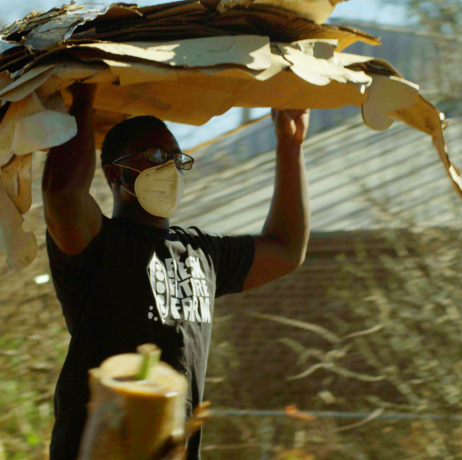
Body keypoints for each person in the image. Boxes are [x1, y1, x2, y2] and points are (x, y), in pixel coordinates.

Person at [42, 83, 310, 460]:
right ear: (114, 175)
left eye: (176, 157)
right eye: (153, 155)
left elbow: (286, 249)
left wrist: (290, 144)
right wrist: (83, 100)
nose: (168, 167)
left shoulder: (203, 253)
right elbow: (63, 194)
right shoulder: (98, 245)